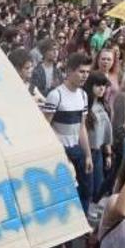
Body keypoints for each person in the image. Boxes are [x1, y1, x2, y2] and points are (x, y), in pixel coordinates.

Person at [42, 52, 93, 214]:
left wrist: (88, 155)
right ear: (70, 71)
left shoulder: (83, 95)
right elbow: (46, 127)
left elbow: (81, 127)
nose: (84, 76)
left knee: (85, 190)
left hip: (77, 149)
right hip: (61, 152)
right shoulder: (55, 95)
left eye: (87, 72)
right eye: (81, 71)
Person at [84, 71, 113, 206]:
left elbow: (107, 133)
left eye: (104, 85)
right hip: (87, 150)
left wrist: (108, 154)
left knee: (99, 185)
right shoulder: (85, 106)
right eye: (98, 85)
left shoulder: (104, 105)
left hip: (99, 151)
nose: (102, 89)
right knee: (88, 186)